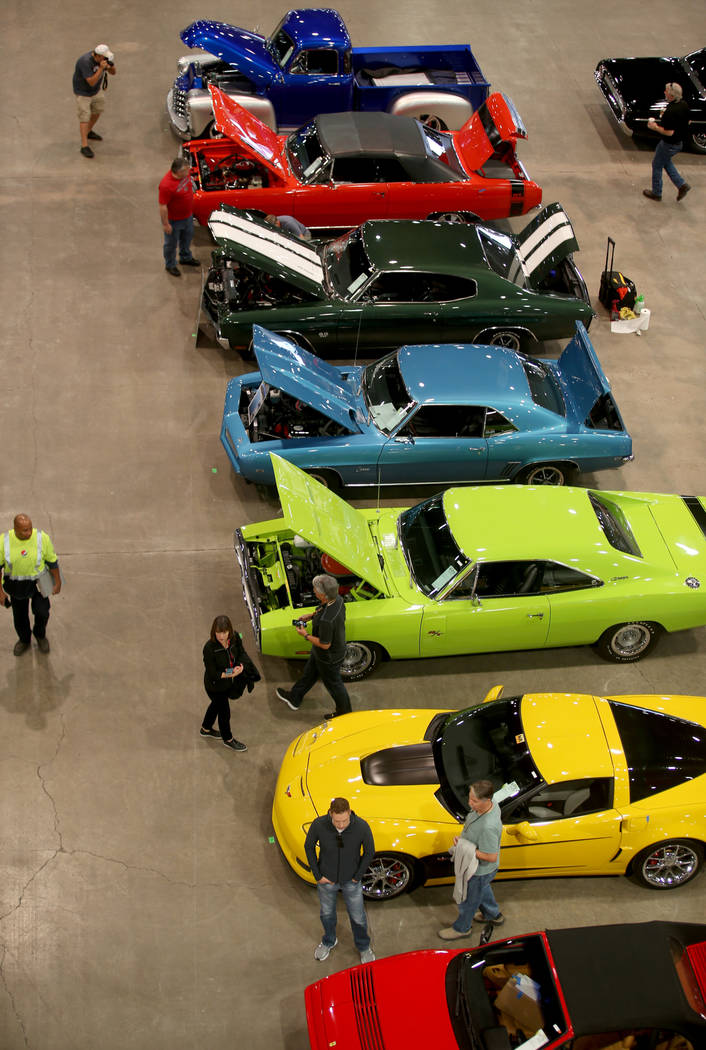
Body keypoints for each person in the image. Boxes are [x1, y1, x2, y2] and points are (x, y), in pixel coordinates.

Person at [304, 797, 375, 963]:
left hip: (351, 881)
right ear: (330, 814)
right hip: (326, 880)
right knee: (327, 914)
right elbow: (309, 846)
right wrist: (318, 875)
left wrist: (357, 876)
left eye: (344, 820)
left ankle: (364, 947)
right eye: (337, 821)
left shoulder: (362, 827)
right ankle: (329, 940)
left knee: (358, 917)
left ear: (350, 813)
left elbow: (370, 851)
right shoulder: (319, 824)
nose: (341, 825)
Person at [276, 574, 352, 718]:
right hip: (325, 653)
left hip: (328, 658)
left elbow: (324, 644)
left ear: (323, 595)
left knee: (334, 686)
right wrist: (311, 615)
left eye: (315, 590)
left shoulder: (326, 621)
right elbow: (324, 610)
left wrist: (305, 635)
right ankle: (295, 697)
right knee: (309, 673)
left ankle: (345, 714)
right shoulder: (338, 601)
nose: (313, 591)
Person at [438, 780, 504, 940]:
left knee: (469, 901)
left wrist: (465, 847)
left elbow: (491, 856)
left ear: (486, 800)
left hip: (479, 870)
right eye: (470, 798)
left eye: (474, 801)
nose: (469, 803)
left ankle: (462, 928)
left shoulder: (488, 827)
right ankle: (493, 915)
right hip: (484, 872)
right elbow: (507, 790)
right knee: (483, 889)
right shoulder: (492, 802)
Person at [0, 514, 61, 655]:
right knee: (20, 616)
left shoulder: (41, 537)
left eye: (30, 529)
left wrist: (57, 582)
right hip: (16, 585)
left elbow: (52, 562)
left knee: (42, 612)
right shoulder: (4, 541)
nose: (29, 533)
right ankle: (24, 639)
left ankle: (40, 635)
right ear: (15, 529)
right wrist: (0, 592)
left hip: (40, 582)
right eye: (24, 530)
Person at [201, 615, 261, 752]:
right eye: (218, 632)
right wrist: (232, 674)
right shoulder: (209, 648)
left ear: (229, 631)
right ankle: (228, 739)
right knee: (224, 712)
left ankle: (206, 728)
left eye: (224, 632)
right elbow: (212, 673)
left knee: (215, 706)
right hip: (215, 685)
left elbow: (241, 653)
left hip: (227, 682)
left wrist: (241, 665)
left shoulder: (235, 638)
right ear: (213, 631)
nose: (221, 636)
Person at [643, 83, 691, 202]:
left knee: (657, 165)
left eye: (666, 91)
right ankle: (682, 185)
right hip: (678, 143)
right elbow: (688, 121)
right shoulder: (684, 105)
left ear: (671, 95)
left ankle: (656, 193)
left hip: (668, 144)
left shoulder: (670, 111)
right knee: (665, 162)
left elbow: (668, 132)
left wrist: (654, 127)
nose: (664, 92)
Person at [73, 44, 117, 158]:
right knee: (84, 117)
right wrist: (101, 68)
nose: (105, 59)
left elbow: (114, 72)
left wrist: (110, 66)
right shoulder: (85, 62)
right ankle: (84, 145)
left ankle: (88, 131)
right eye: (103, 57)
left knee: (98, 110)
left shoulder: (103, 60)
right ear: (97, 56)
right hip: (83, 93)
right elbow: (91, 81)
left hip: (96, 91)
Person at [159, 157, 199, 277]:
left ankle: (185, 257)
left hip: (187, 216)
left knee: (187, 238)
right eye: (186, 170)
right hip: (174, 221)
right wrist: (166, 224)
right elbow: (162, 206)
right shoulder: (166, 185)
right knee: (171, 244)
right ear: (178, 172)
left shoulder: (184, 176)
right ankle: (170, 264)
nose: (188, 172)